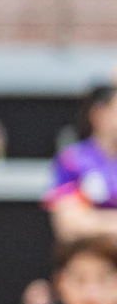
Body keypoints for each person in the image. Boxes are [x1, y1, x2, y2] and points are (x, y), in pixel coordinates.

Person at [44, 84, 117, 246]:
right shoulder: (73, 159)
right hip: (92, 252)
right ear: (99, 114)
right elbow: (68, 225)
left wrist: (94, 219)